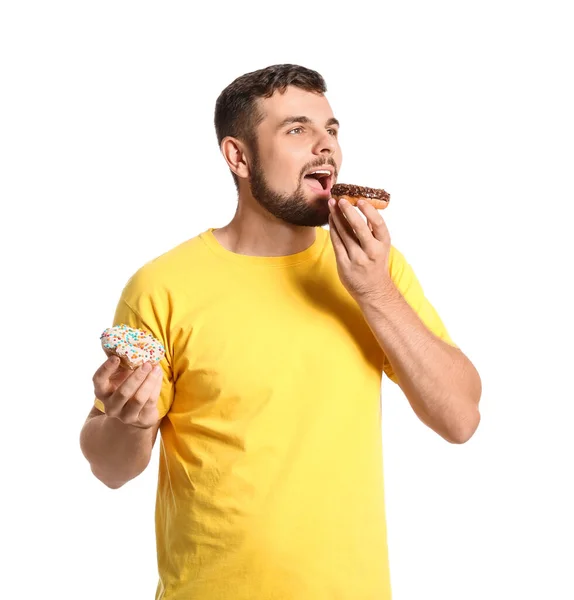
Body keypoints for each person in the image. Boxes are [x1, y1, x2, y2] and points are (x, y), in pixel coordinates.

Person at [80, 64, 482, 600]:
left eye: (332, 130)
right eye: (297, 130)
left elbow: (461, 419)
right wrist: (130, 423)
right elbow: (109, 469)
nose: (326, 148)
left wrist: (374, 291)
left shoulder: (374, 268)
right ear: (238, 156)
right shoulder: (161, 286)